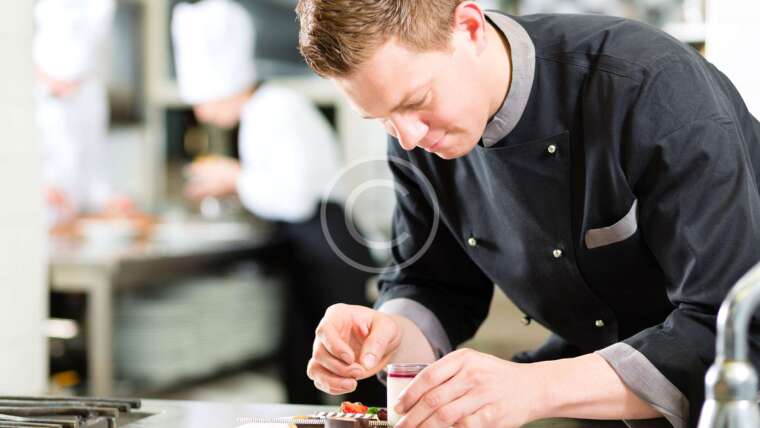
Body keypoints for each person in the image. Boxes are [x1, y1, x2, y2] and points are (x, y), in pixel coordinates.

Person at [295, 1, 760, 427]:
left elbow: (733, 330)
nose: (408, 139)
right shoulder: (414, 136)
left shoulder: (650, 86)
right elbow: (432, 283)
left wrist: (536, 389)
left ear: (469, 27)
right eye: (381, 118)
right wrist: (388, 336)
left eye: (416, 102)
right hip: (590, 392)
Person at [171, 0, 384, 404]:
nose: (199, 111)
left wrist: (233, 178)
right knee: (308, 364)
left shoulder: (274, 109)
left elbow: (294, 198)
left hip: (327, 245)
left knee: (358, 366)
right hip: (311, 245)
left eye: (202, 99)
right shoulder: (262, 110)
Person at [34, 0, 133, 228]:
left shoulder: (89, 93)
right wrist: (39, 189)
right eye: (61, 86)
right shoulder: (17, 99)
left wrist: (108, 200)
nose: (69, 90)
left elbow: (93, 170)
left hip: (70, 226)